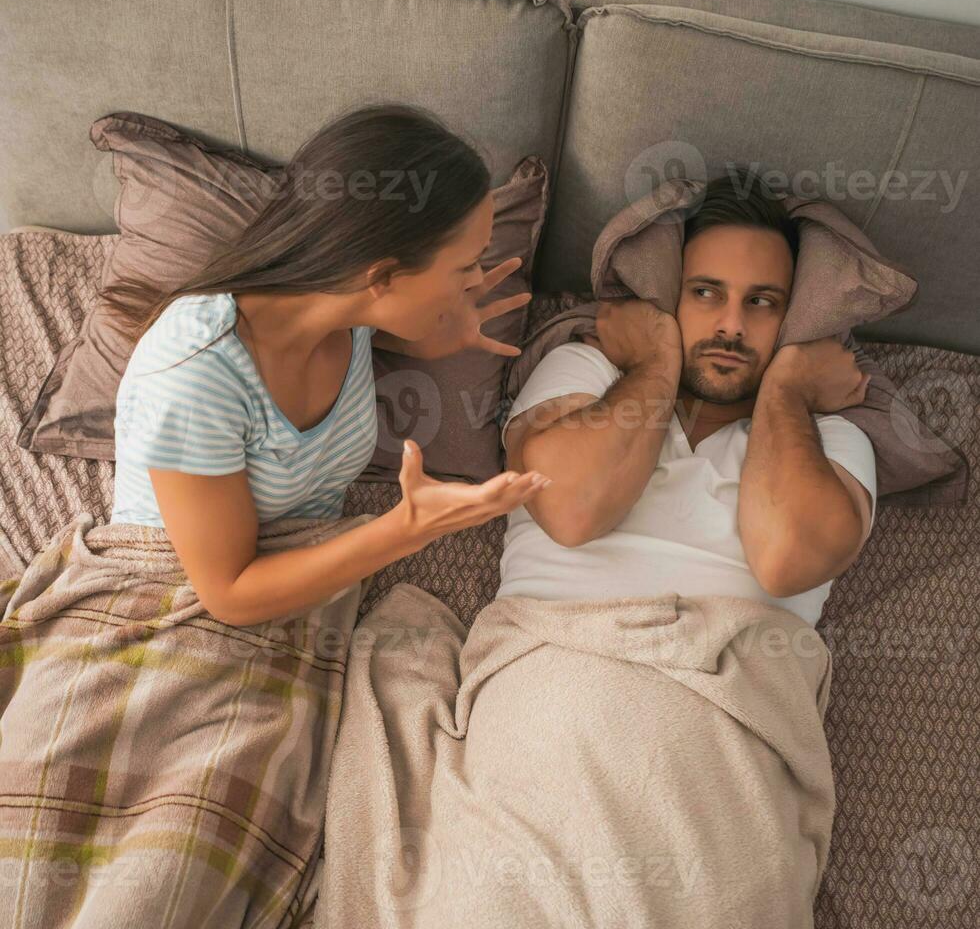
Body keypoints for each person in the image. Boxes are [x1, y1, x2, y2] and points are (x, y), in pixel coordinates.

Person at [108, 102, 552, 627]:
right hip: (172, 603)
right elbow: (228, 596)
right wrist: (409, 527)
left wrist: (439, 333)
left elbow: (382, 328)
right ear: (383, 276)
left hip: (298, 586)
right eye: (464, 266)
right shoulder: (195, 371)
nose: (477, 280)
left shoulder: (346, 315)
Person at [498, 169, 876, 628]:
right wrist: (656, 361)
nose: (732, 325)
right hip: (556, 667)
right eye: (705, 292)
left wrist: (788, 390)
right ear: (669, 295)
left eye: (761, 302)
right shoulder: (585, 371)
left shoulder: (835, 439)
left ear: (792, 320)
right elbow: (570, 512)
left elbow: (787, 564)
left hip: (729, 686)